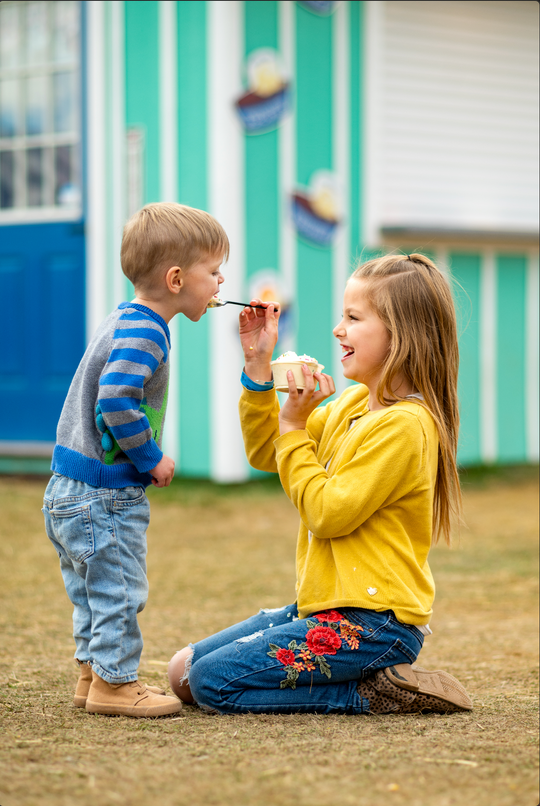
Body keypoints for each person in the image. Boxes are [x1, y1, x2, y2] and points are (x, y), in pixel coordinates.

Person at [168, 253, 473, 716]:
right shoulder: (351, 405)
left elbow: (328, 513)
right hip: (322, 609)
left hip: (375, 625)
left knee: (212, 684)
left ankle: (370, 694)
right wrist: (258, 368)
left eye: (353, 317)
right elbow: (269, 453)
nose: (338, 329)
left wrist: (293, 426)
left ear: (402, 334)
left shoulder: (406, 425)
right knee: (182, 672)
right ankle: (362, 681)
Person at [43, 203, 229, 718]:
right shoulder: (148, 332)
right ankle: (116, 686)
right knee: (120, 590)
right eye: (213, 273)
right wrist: (151, 457)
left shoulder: (123, 319)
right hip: (103, 494)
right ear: (176, 279)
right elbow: (116, 400)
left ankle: (92, 675)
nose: (220, 282)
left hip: (67, 488)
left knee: (91, 590)